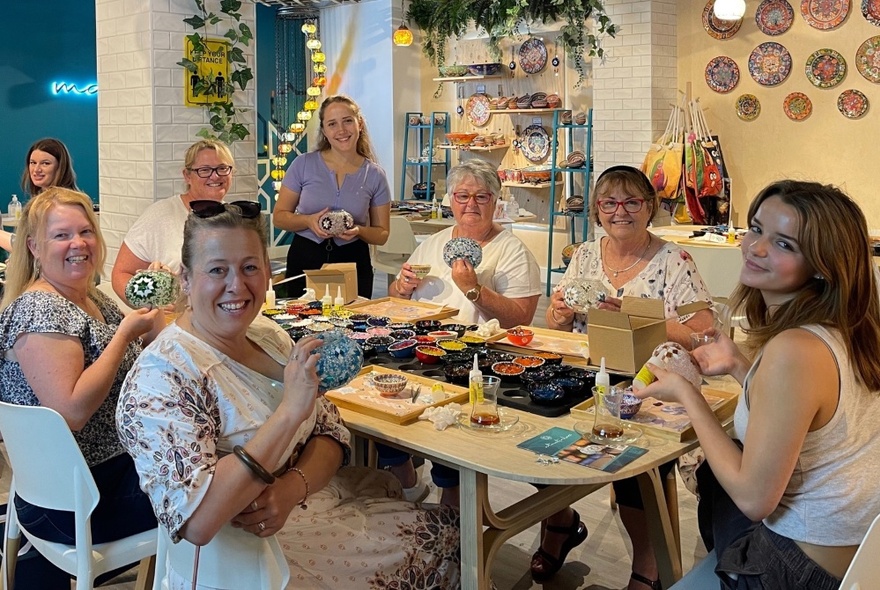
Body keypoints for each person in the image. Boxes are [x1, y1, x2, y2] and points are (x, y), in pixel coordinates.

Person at [116, 201, 461, 589]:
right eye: (217, 270)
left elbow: (332, 432)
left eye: (250, 268)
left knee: (450, 530)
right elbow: (197, 520)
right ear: (185, 279)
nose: (237, 285)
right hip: (251, 560)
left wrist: (291, 487)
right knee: (448, 539)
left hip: (308, 507)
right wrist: (289, 414)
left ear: (267, 273)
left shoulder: (269, 335)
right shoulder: (163, 376)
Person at [638, 180, 880, 589]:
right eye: (755, 228)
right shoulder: (850, 328)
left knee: (718, 476)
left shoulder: (795, 349)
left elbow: (753, 500)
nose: (755, 247)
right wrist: (739, 365)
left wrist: (687, 394)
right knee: (722, 467)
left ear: (823, 263)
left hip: (797, 569)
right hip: (858, 554)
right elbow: (814, 416)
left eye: (784, 244)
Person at [543, 165, 714, 588]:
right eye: (609, 203)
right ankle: (560, 522)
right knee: (539, 429)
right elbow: (557, 323)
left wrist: (639, 314)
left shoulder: (675, 261)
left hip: (650, 386)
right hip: (589, 375)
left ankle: (648, 565)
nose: (620, 211)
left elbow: (705, 334)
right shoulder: (583, 254)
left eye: (631, 201)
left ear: (650, 207)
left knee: (634, 462)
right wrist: (559, 313)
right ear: (597, 210)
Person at [0, 187, 163, 588]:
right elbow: (71, 411)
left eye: (86, 231)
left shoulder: (88, 297)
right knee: (212, 492)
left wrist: (156, 300)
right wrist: (125, 334)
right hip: (76, 503)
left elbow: (145, 358)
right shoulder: (41, 310)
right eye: (62, 235)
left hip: (90, 479)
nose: (78, 243)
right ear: (35, 247)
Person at [386, 158, 541, 505]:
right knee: (379, 407)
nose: (471, 205)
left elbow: (521, 320)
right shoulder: (432, 243)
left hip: (474, 361)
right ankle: (406, 484)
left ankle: (454, 519)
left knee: (452, 448)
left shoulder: (511, 251)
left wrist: (474, 289)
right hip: (422, 352)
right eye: (462, 196)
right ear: (450, 200)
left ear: (496, 202)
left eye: (481, 197)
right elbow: (396, 298)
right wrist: (402, 285)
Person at [274, 95, 391, 299]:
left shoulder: (374, 174)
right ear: (325, 131)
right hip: (305, 257)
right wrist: (308, 221)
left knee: (354, 327)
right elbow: (280, 217)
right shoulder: (303, 165)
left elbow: (381, 234)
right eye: (332, 124)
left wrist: (358, 231)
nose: (342, 130)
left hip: (353, 260)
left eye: (347, 121)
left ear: (359, 124)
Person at [111, 139, 236, 305]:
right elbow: (121, 273)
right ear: (187, 176)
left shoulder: (235, 218)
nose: (215, 176)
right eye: (204, 170)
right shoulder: (161, 215)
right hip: (178, 325)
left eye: (222, 168)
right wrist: (150, 306)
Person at [1, 138, 80, 253]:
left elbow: (32, 248)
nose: (36, 169)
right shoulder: (40, 200)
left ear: (60, 167)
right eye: (33, 163)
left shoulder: (61, 206)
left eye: (45, 163)